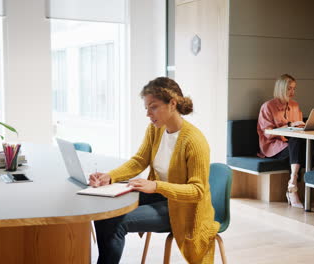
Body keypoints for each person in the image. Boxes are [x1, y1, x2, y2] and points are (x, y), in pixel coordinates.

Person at [89, 77, 219, 264]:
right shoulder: (156, 130)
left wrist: (157, 185)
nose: (148, 114)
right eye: (147, 108)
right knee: (104, 214)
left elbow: (197, 191)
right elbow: (139, 161)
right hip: (160, 196)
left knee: (114, 223)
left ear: (172, 104)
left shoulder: (194, 141)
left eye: (154, 107)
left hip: (183, 208)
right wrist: (110, 176)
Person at [257, 74, 305, 208]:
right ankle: (293, 190)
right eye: (289, 89)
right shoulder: (267, 106)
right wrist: (289, 126)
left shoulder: (295, 105)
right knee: (298, 148)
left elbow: (299, 126)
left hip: (292, 142)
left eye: (294, 89)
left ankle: (292, 182)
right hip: (273, 145)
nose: (292, 92)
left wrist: (300, 126)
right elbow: (267, 133)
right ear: (281, 89)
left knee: (298, 143)